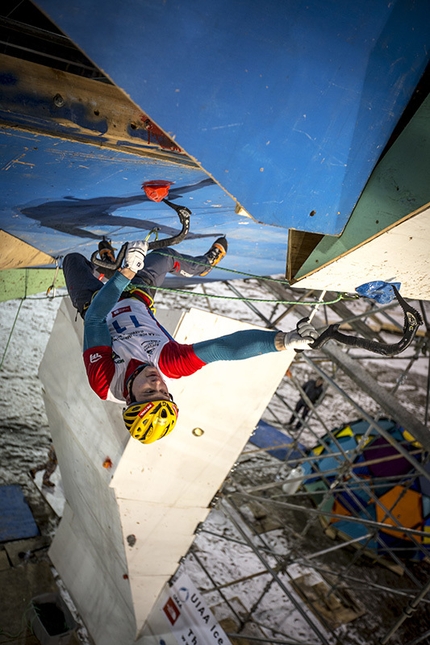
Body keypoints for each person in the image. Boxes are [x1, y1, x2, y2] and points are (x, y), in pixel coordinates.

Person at [63, 237, 319, 444]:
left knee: (73, 261)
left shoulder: (105, 382)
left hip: (96, 302)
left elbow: (96, 318)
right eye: (164, 392)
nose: (157, 383)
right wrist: (285, 341)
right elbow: (222, 349)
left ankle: (108, 271)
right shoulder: (170, 365)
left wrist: (126, 271)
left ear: (129, 398)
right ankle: (201, 265)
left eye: (149, 392)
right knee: (164, 256)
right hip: (137, 295)